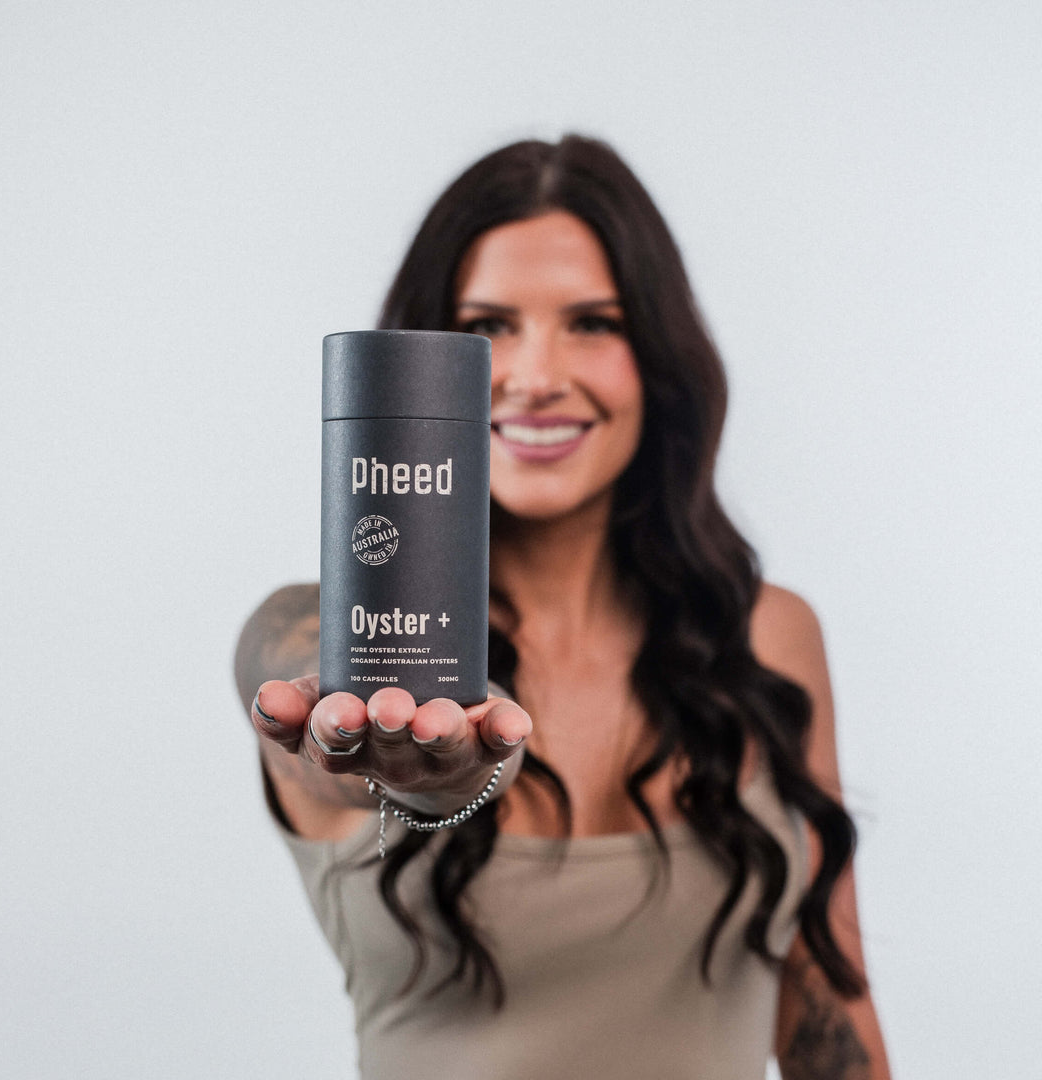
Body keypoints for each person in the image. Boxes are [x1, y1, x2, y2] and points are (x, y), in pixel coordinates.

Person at [234, 135, 891, 1080]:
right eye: (489, 325)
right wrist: (431, 780)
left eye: (592, 323)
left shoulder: (768, 638)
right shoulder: (326, 640)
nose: (537, 375)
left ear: (658, 359)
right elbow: (337, 753)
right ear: (415, 370)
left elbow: (831, 1008)